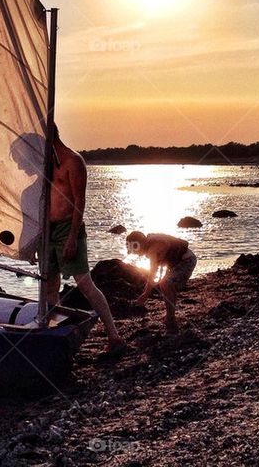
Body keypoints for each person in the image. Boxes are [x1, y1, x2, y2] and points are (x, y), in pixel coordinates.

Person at [44, 125, 125, 355]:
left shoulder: (73, 161)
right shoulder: (45, 164)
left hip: (68, 229)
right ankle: (53, 336)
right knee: (49, 285)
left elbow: (80, 201)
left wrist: (72, 237)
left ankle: (114, 336)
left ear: (49, 136)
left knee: (85, 283)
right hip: (48, 230)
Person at [126, 230, 197, 334]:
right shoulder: (151, 243)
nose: (135, 253)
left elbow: (153, 271)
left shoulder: (152, 249)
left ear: (139, 244)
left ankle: (170, 317)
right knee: (167, 285)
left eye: (134, 248)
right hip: (181, 261)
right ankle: (170, 316)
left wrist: (146, 294)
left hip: (187, 261)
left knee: (165, 284)